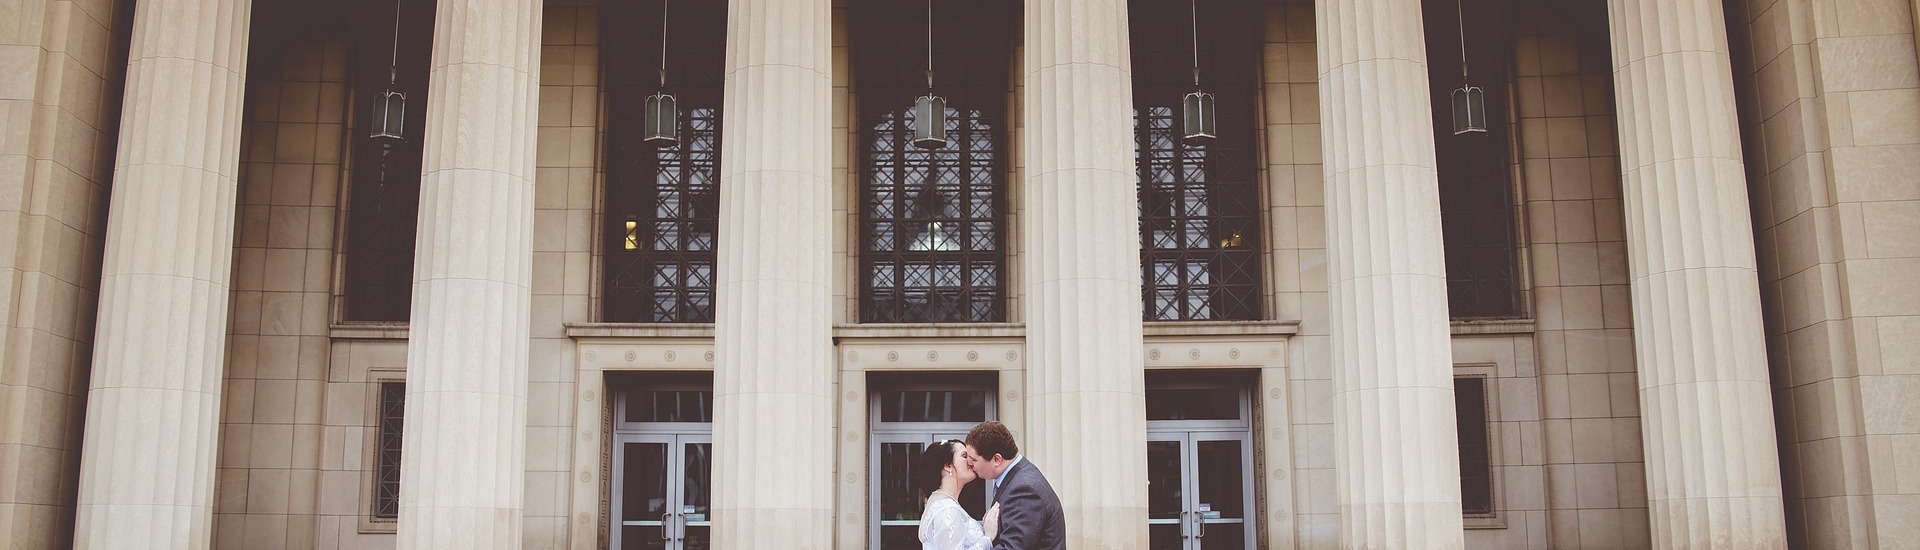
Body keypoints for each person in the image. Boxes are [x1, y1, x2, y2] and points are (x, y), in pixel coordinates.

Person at [966, 421, 1065, 550]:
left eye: (974, 459)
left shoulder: (1024, 490)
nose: (969, 463)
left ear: (996, 459)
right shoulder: (1017, 478)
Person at [918, 439, 998, 550]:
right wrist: (987, 538)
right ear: (948, 465)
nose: (970, 461)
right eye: (965, 456)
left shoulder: (937, 501)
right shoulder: (947, 509)